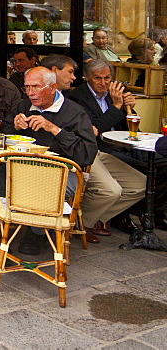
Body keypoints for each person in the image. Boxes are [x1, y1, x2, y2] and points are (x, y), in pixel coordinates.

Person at [0, 66, 98, 255]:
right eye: (26, 87)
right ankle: (12, 226)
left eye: (36, 87)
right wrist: (14, 127)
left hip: (60, 172)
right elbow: (2, 136)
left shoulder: (74, 112)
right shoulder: (23, 105)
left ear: (52, 87)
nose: (30, 93)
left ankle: (37, 231)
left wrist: (55, 129)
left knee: (39, 188)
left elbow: (86, 154)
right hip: (23, 168)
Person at [64, 59, 145, 241]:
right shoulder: (77, 97)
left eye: (107, 78)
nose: (103, 83)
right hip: (94, 149)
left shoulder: (113, 93)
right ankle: (84, 223)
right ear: (87, 78)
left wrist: (128, 107)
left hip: (119, 146)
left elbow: (128, 126)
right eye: (98, 78)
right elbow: (93, 129)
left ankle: (99, 217)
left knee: (141, 184)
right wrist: (117, 106)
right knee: (112, 189)